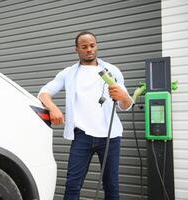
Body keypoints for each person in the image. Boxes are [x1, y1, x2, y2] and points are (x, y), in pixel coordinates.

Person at [38, 31, 133, 200]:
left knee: (111, 184)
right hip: (82, 136)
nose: (89, 49)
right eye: (84, 47)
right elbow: (44, 92)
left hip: (110, 137)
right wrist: (53, 108)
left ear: (96, 46)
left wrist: (123, 97)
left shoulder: (112, 70)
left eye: (92, 45)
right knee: (73, 184)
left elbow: (126, 105)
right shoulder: (68, 73)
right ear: (77, 49)